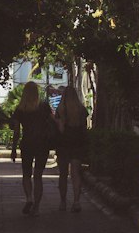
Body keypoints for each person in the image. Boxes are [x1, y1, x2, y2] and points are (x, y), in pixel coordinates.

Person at [10, 81, 57, 216]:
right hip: (42, 144)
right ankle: (36, 207)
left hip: (27, 143)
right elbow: (53, 121)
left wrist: (13, 149)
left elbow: (17, 131)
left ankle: (29, 198)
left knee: (26, 174)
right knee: (38, 176)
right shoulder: (43, 107)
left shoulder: (20, 109)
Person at [55, 83, 88, 213]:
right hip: (77, 144)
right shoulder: (81, 110)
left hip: (63, 144)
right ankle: (76, 201)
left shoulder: (60, 110)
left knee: (63, 174)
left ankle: (63, 202)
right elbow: (84, 130)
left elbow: (60, 130)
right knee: (76, 173)